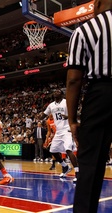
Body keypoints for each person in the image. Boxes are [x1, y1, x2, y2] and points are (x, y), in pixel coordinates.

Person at [65, 1, 112, 212]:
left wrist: (73, 120)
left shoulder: (85, 30)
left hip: (101, 95)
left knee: (90, 166)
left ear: (98, 4)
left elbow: (74, 79)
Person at [39, 90, 79, 181]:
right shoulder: (51, 105)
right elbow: (44, 114)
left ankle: (77, 172)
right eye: (54, 92)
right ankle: (65, 167)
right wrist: (39, 117)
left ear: (62, 94)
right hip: (58, 131)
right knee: (52, 150)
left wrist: (68, 117)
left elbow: (75, 115)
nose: (55, 92)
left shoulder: (66, 102)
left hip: (67, 129)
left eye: (58, 91)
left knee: (68, 150)